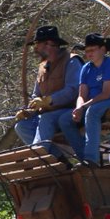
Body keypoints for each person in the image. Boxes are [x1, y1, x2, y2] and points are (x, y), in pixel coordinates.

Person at [59, 32, 110, 166]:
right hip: (94, 104)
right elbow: (81, 94)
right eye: (87, 50)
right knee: (65, 119)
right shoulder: (86, 68)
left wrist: (83, 107)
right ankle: (83, 157)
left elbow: (106, 94)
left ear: (103, 49)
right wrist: (78, 107)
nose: (89, 53)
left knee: (92, 112)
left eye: (92, 50)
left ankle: (91, 159)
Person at [13, 24, 82, 155]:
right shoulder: (42, 67)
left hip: (70, 111)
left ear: (49, 44)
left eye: (37, 44)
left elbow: (73, 90)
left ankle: (38, 157)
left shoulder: (72, 61)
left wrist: (49, 100)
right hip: (47, 114)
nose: (35, 48)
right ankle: (57, 160)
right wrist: (28, 111)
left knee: (46, 119)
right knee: (22, 126)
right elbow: (36, 96)